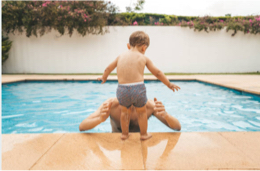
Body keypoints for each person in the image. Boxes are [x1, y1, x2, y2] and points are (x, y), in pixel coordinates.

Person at [98, 31, 180, 140]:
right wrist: (169, 84)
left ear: (128, 46)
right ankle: (143, 134)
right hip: (138, 88)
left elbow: (108, 68)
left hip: (122, 89)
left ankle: (124, 134)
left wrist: (104, 78)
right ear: (144, 48)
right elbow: (158, 73)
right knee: (142, 112)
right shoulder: (143, 57)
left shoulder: (120, 57)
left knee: (124, 113)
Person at [79, 97, 181, 135]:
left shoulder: (149, 106)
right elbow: (82, 126)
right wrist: (100, 119)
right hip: (117, 143)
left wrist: (166, 115)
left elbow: (177, 127)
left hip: (140, 144)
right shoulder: (111, 105)